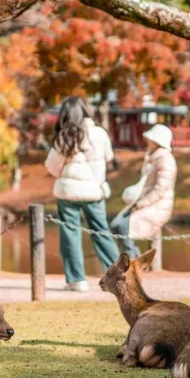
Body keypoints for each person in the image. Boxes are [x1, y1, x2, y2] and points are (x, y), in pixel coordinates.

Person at [44, 97, 120, 291]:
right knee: (102, 232)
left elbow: (52, 167)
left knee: (70, 234)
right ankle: (119, 278)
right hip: (95, 191)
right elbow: (109, 158)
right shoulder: (100, 134)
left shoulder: (64, 137)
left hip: (68, 193)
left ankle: (77, 280)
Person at [111, 124, 178, 258]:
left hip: (157, 205)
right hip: (145, 202)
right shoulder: (153, 158)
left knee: (122, 226)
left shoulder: (165, 161)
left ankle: (133, 258)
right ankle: (133, 256)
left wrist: (141, 204)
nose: (147, 141)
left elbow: (159, 191)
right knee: (116, 224)